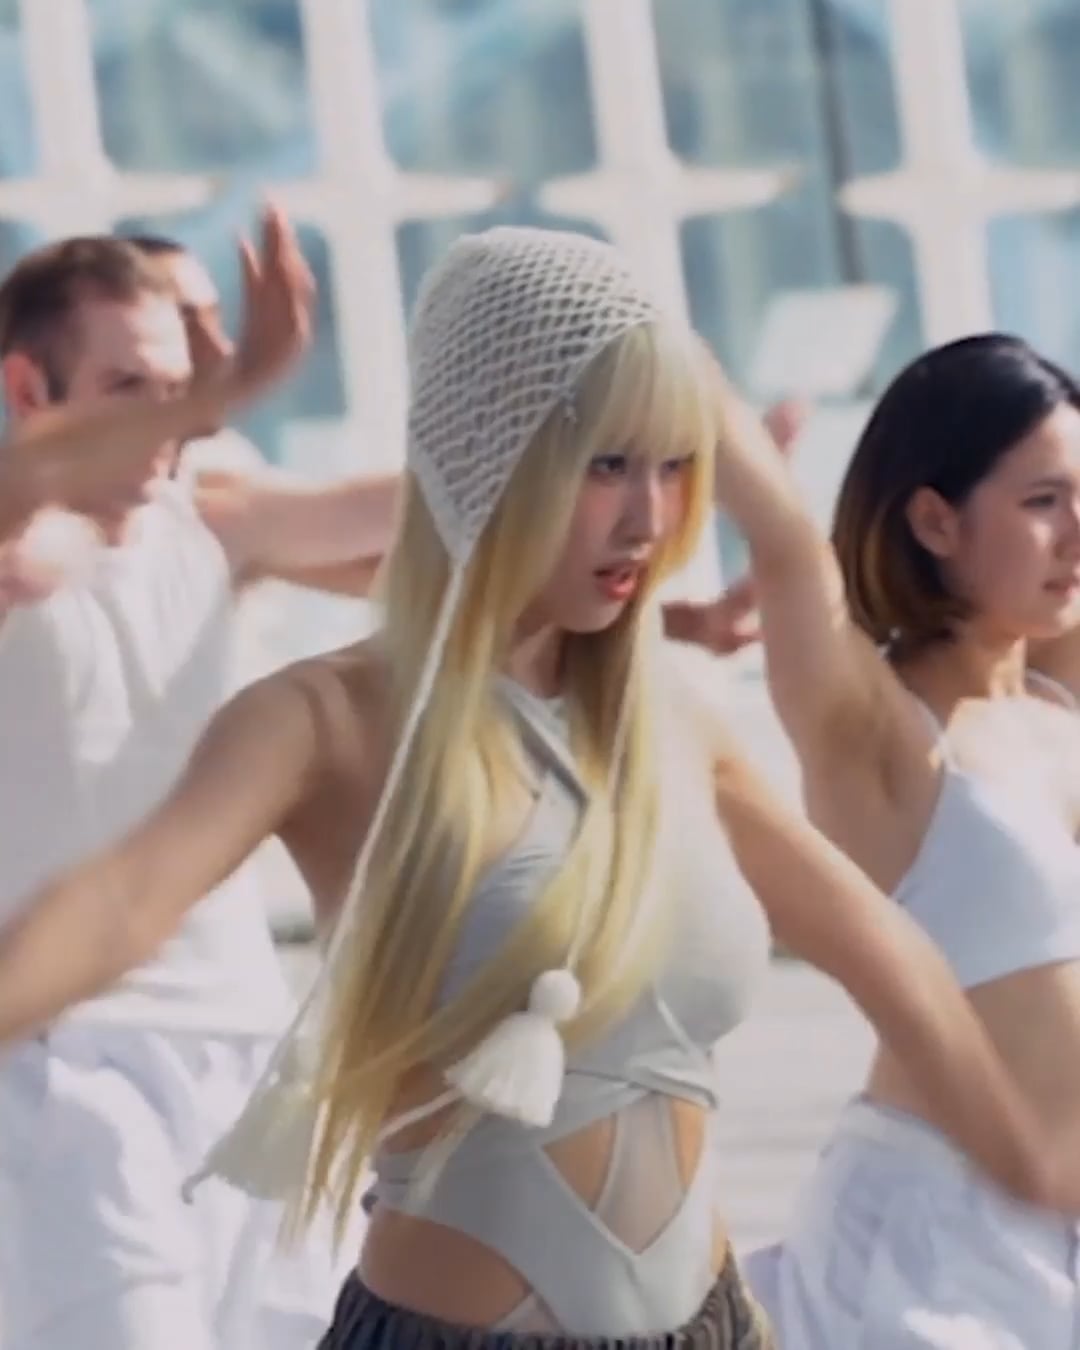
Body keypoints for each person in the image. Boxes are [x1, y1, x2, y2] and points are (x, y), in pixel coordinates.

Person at [0, 229, 1068, 1350]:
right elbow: (119, 907)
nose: (648, 518)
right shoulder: (325, 721)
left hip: (711, 1327)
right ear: (487, 455)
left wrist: (1027, 1163)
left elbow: (886, 952)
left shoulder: (676, 730)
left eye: (673, 466)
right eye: (605, 464)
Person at [0, 214, 392, 1350]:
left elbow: (452, 523)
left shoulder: (213, 520)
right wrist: (241, 378)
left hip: (251, 1055)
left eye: (182, 390)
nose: (174, 423)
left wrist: (629, 429)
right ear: (26, 387)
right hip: (66, 1066)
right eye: (132, 389)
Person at [691, 332, 1080, 1346]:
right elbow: (782, 538)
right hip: (939, 1246)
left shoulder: (1058, 700)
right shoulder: (880, 729)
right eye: (1044, 501)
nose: (1077, 532)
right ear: (934, 517)